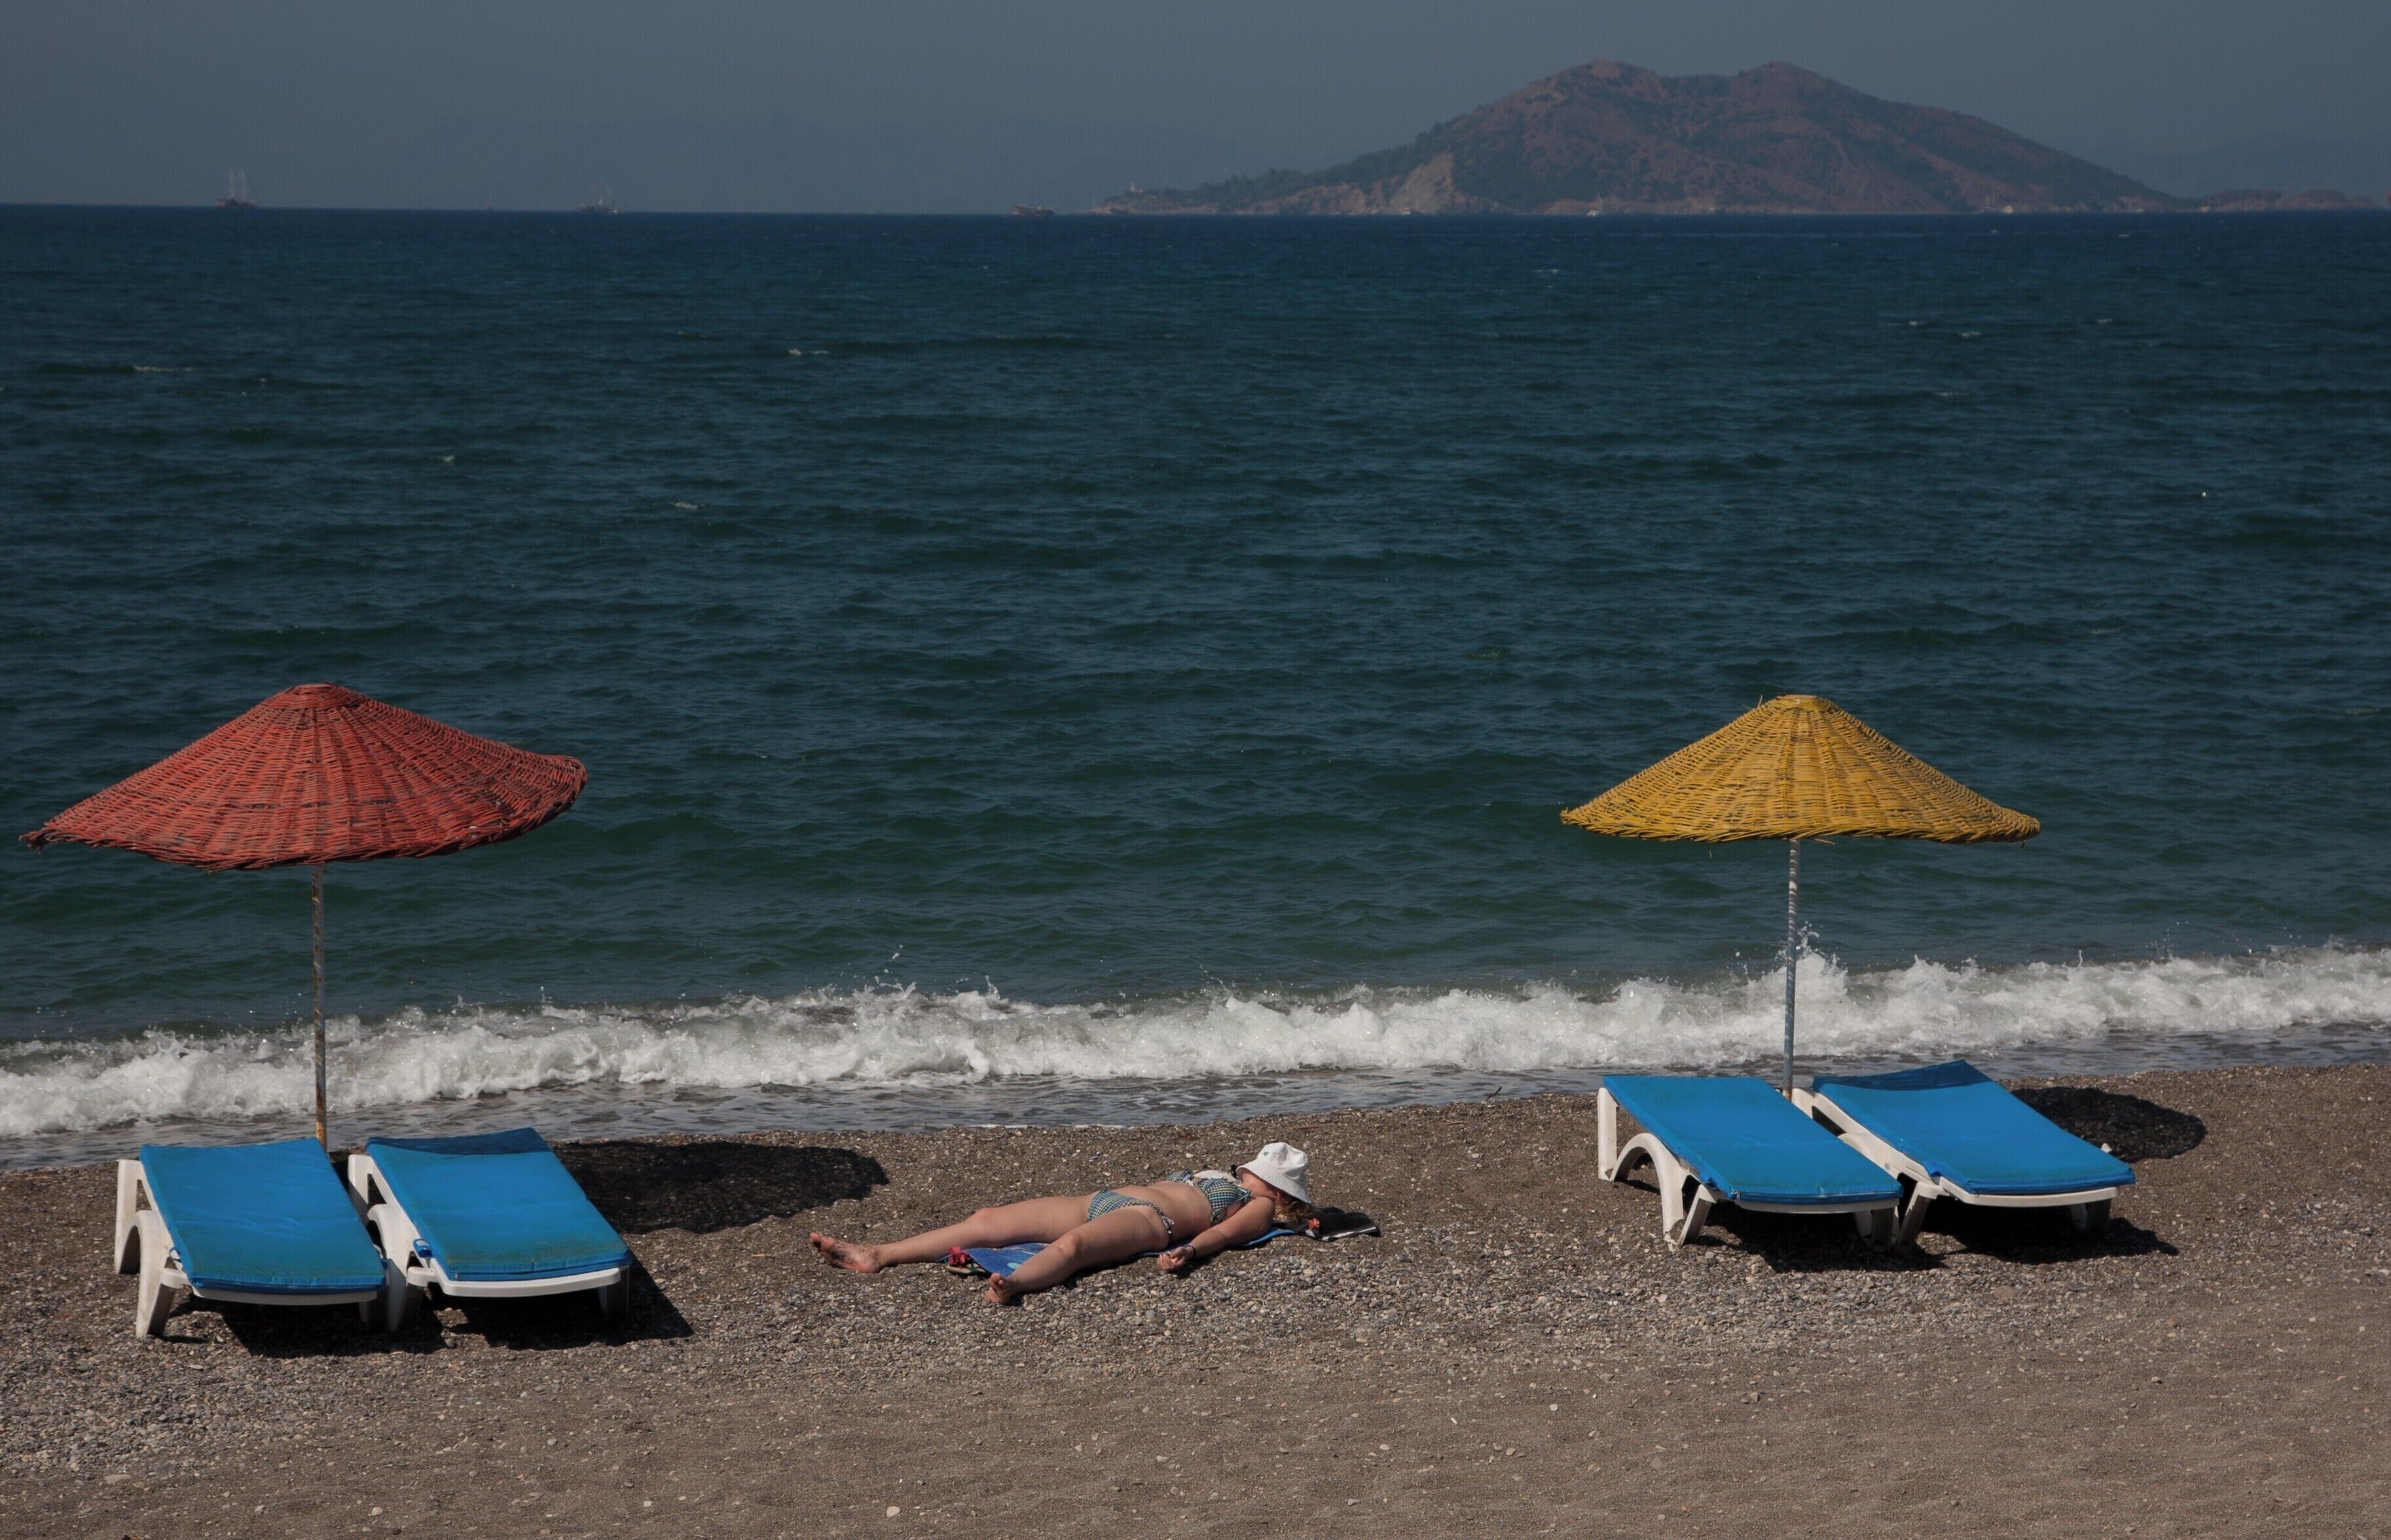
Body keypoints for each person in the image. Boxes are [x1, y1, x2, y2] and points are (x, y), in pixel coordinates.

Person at [809, 1141, 1311, 1304]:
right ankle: (878, 1254)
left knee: (1074, 1247)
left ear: (1279, 1190)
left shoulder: (1259, 1205)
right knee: (986, 1221)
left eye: (1264, 1174)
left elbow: (1228, 1235)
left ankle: (1014, 1284)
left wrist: (1193, 1251)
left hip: (1152, 1220)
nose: (1251, 1173)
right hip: (1100, 1199)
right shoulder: (1221, 1176)